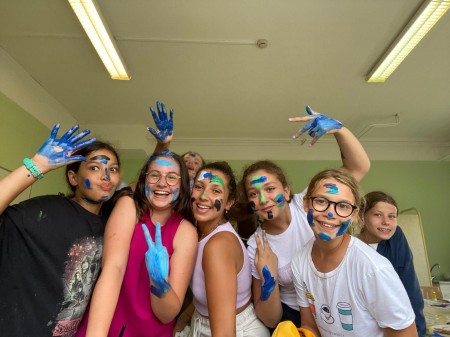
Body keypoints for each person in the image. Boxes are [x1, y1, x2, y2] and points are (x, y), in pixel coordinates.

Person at [240, 106, 370, 329]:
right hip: (296, 317)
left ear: (287, 190)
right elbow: (270, 319)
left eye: (270, 188)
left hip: (339, 303)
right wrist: (268, 278)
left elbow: (359, 167)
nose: (263, 198)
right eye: (254, 194)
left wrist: (339, 129)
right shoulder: (256, 245)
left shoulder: (309, 204)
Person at [0, 124, 121, 336]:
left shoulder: (112, 224)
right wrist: (37, 165)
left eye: (113, 169)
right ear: (73, 177)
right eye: (94, 167)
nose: (106, 176)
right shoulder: (46, 210)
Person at [283, 168, 417, 337]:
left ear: (354, 214)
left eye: (343, 206)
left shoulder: (373, 269)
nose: (330, 213)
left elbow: (406, 333)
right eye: (321, 201)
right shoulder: (299, 261)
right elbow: (310, 324)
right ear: (306, 203)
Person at [78, 150, 197, 337]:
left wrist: (159, 282)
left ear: (182, 186)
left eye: (172, 177)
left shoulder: (186, 232)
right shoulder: (129, 206)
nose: (162, 183)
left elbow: (167, 315)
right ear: (144, 180)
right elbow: (113, 270)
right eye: (155, 175)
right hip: (107, 325)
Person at [175, 161, 270, 337]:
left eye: (216, 191)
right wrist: (183, 319)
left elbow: (225, 333)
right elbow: (208, 291)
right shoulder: (200, 232)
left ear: (229, 202)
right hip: (201, 323)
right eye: (199, 187)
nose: (204, 196)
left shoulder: (218, 245)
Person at [358, 191, 426, 337]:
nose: (386, 222)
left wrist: (419, 332)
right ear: (362, 217)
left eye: (392, 216)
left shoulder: (396, 238)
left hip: (395, 325)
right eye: (377, 215)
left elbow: (410, 289)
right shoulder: (352, 248)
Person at [147, 100, 205, 188]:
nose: (190, 163)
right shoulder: (165, 186)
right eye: (185, 161)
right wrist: (163, 144)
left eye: (196, 163)